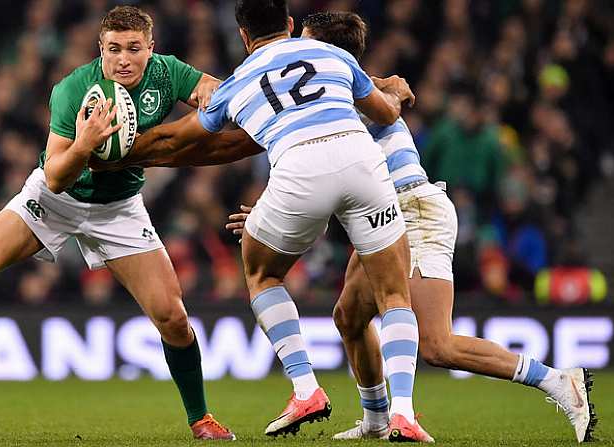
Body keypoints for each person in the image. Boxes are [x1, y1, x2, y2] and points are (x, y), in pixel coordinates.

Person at [0, 6, 236, 440]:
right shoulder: (74, 90)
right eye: (114, 49)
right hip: (53, 200)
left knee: (173, 317)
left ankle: (200, 418)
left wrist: (215, 95)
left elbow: (211, 87)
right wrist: (85, 145)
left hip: (119, 207)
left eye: (134, 49)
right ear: (101, 49)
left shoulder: (168, 73)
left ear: (151, 49)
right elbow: (56, 176)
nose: (124, 59)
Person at [225, 11, 596, 444]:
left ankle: (558, 382)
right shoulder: (341, 92)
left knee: (436, 344)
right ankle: (378, 421)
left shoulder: (339, 96)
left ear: (324, 51)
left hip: (415, 209)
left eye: (305, 44)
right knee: (348, 317)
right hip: (386, 210)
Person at [107, 0, 432, 441]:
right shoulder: (337, 56)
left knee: (262, 272)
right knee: (394, 293)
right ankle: (405, 414)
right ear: (292, 26)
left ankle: (306, 388)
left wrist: (111, 157)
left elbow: (177, 139)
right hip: (363, 162)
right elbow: (386, 113)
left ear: (243, 36)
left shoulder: (238, 83)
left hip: (298, 170)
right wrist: (393, 90)